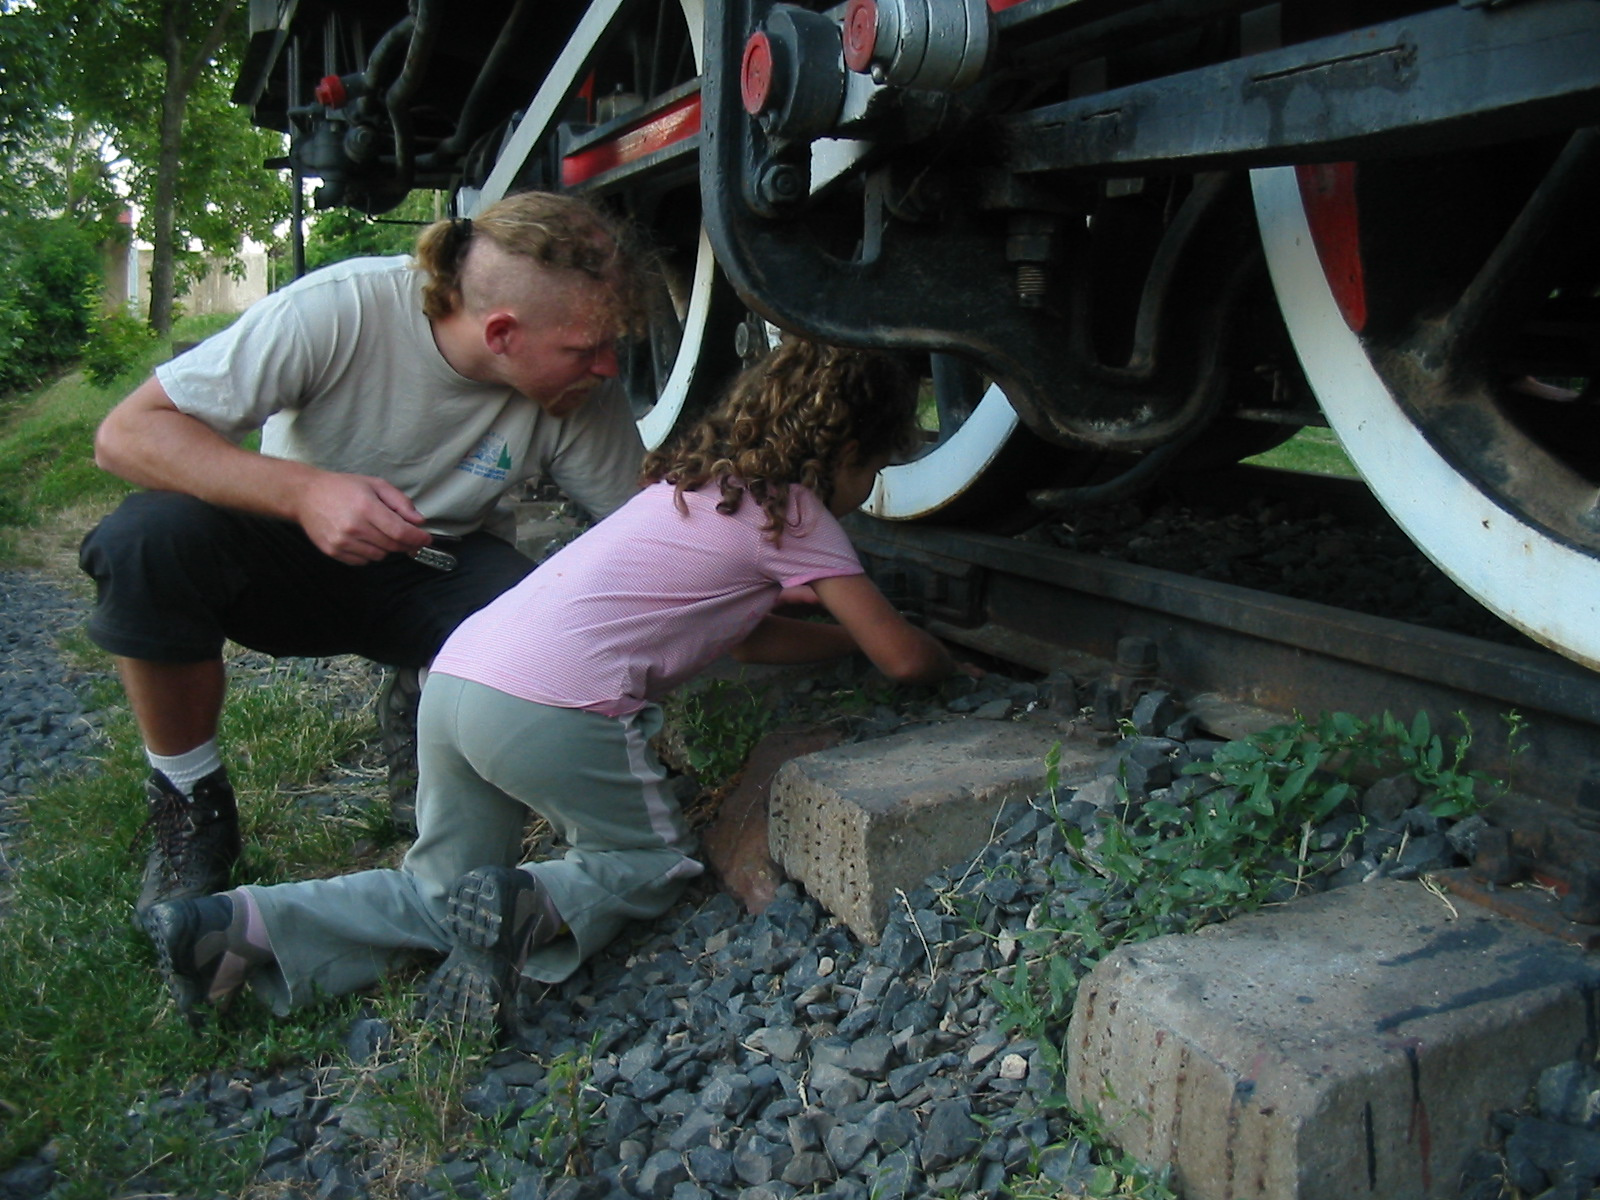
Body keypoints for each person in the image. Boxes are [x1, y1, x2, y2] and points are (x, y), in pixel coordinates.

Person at [141, 338, 975, 1038]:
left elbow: (748, 637)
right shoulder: (797, 513)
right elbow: (899, 659)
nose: (870, 488)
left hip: (461, 674)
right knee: (647, 862)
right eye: (877, 465)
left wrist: (836, 648)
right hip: (552, 708)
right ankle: (527, 905)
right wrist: (937, 655)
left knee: (439, 889)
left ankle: (237, 928)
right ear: (850, 450)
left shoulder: (688, 489)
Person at [79, 191, 651, 917]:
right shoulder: (339, 308)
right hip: (284, 546)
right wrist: (304, 493)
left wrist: (758, 566)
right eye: (585, 348)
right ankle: (190, 800)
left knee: (529, 617)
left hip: (435, 562)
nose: (607, 368)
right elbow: (125, 436)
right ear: (502, 332)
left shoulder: (577, 395)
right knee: (146, 540)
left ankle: (433, 742)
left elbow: (639, 526)